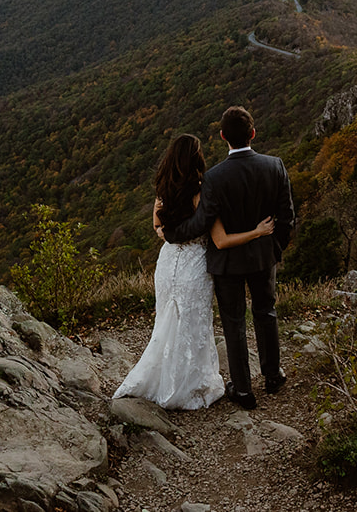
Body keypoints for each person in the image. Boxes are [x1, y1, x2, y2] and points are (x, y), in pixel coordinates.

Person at [113, 133, 275, 409]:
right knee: (193, 325)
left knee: (167, 322)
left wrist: (173, 238)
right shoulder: (202, 192)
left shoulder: (163, 189)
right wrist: (256, 232)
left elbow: (158, 228)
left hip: (167, 264)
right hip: (194, 266)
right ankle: (188, 385)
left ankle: (159, 378)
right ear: (196, 158)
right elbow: (221, 240)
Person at [160, 106, 295, 410]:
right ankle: (273, 376)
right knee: (266, 312)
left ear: (223, 136)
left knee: (233, 323)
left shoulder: (214, 178)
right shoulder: (275, 166)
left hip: (227, 263)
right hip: (263, 257)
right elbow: (288, 218)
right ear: (253, 133)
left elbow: (201, 223)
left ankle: (244, 390)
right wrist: (274, 249)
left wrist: (171, 233)